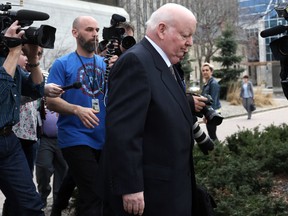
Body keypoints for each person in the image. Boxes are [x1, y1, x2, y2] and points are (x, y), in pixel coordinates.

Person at [97, 3, 200, 215]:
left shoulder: (165, 64)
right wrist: (131, 187)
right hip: (149, 196)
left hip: (170, 189)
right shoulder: (136, 62)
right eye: (185, 35)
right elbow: (123, 132)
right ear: (161, 29)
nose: (189, 43)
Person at [46, 16, 117, 216]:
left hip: (102, 138)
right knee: (94, 192)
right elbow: (51, 101)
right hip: (75, 137)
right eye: (89, 29)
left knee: (91, 188)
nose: (95, 34)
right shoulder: (62, 64)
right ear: (75, 33)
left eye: (96, 30)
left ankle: (57, 209)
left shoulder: (105, 65)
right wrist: (77, 109)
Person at [0, 20, 62, 216]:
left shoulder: (13, 65)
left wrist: (33, 57)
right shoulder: (9, 59)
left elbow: (35, 89)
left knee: (30, 205)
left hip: (8, 141)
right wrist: (13, 52)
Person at [201, 62, 221, 141]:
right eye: (203, 70)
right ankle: (217, 150)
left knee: (212, 134)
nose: (205, 72)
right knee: (211, 133)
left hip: (213, 113)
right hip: (209, 113)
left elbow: (213, 101)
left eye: (207, 70)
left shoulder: (213, 83)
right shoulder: (207, 83)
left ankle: (218, 151)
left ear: (211, 72)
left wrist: (207, 116)